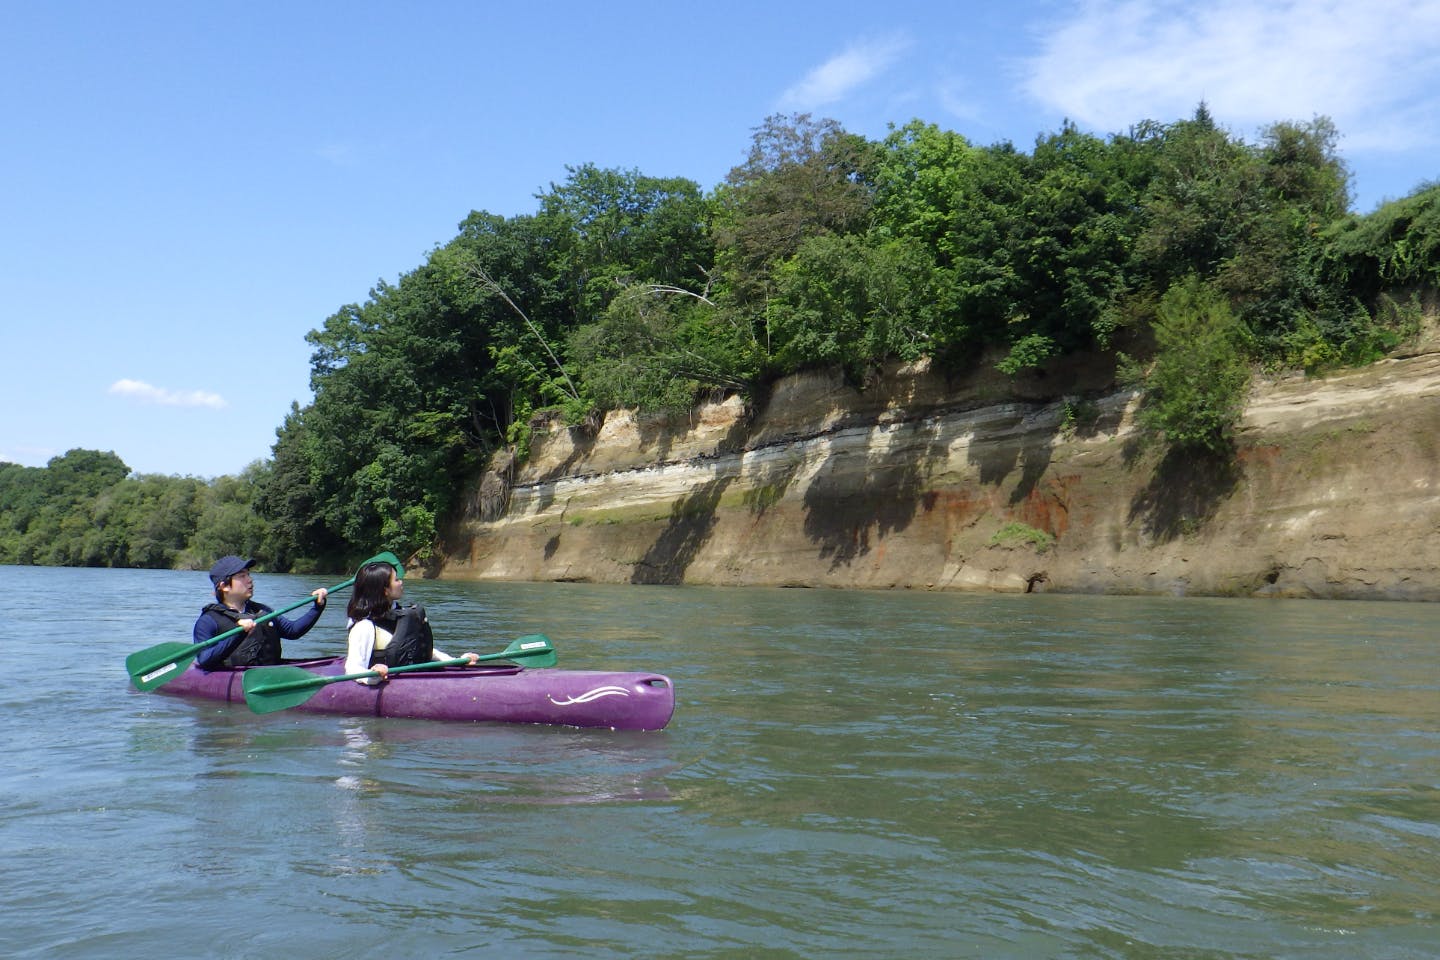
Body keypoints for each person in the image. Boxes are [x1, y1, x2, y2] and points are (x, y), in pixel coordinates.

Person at [345, 560, 479, 684]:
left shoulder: (402, 615)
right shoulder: (364, 626)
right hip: (388, 682)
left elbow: (421, 651)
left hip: (415, 677)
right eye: (396, 580)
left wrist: (457, 661)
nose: (401, 582)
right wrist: (373, 675)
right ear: (385, 590)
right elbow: (353, 668)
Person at [193, 556, 329, 670]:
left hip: (270, 672)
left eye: (248, 574)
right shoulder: (208, 620)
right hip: (236, 676)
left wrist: (317, 607)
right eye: (242, 576)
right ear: (224, 586)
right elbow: (205, 660)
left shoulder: (262, 611)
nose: (250, 579)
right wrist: (239, 633)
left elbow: (293, 631)